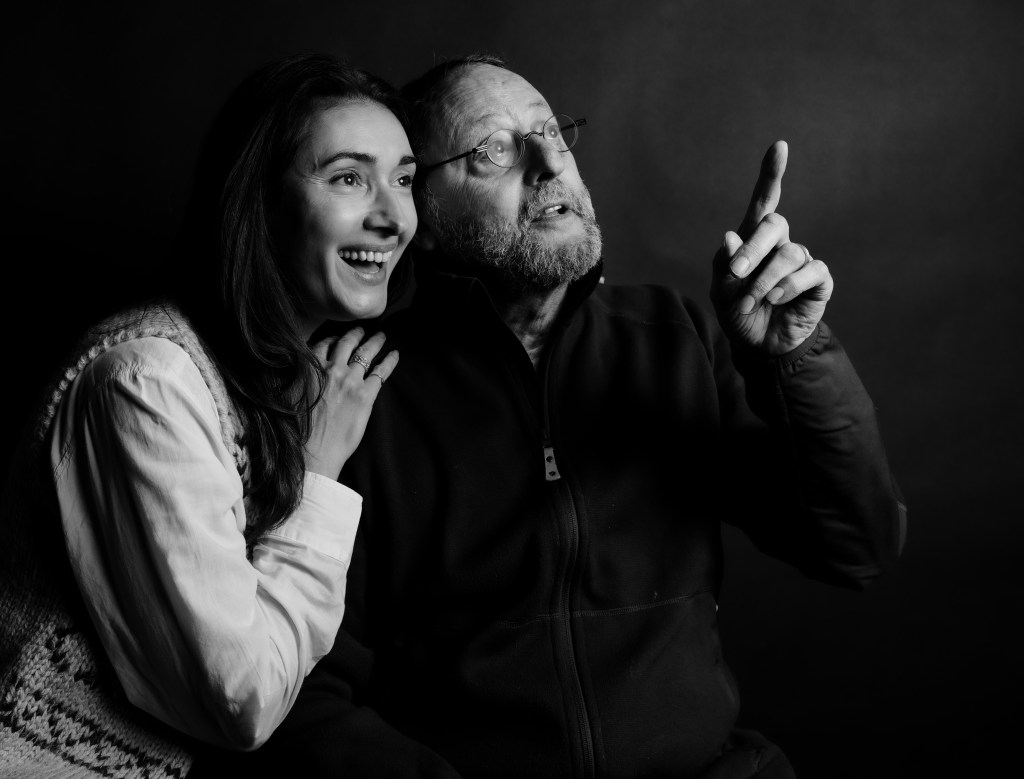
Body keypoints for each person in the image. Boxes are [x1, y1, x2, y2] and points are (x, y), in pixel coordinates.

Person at [208, 53, 906, 778]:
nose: (549, 165)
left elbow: (856, 545)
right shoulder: (351, 390)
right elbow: (304, 693)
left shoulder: (673, 337)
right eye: (494, 151)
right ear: (426, 214)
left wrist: (792, 359)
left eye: (553, 133)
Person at [0, 52, 417, 778]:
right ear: (261, 200)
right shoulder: (146, 380)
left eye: (405, 179)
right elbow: (243, 700)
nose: (391, 217)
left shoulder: (287, 377)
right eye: (348, 178)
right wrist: (319, 473)